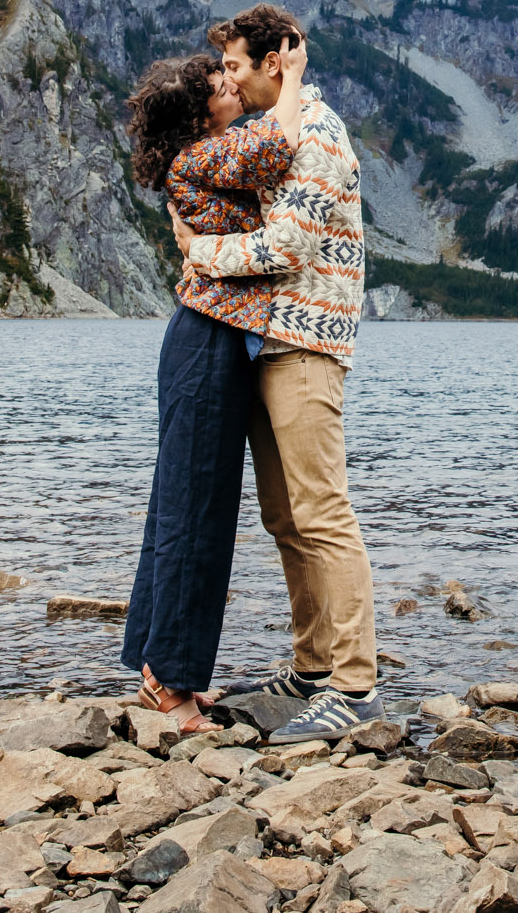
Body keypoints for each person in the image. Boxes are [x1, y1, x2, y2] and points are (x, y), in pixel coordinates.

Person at [168, 4, 378, 743]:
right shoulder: (272, 133)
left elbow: (285, 246)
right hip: (267, 343)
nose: (225, 77)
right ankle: (312, 666)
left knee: (323, 512)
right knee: (285, 516)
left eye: (234, 65)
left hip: (306, 346)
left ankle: (355, 684)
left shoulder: (316, 134)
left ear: (274, 64)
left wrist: (202, 255)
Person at [118, 45, 307, 730]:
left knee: (188, 505)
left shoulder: (206, 153)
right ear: (200, 110)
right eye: (218, 80)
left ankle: (159, 665)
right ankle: (170, 682)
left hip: (206, 339)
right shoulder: (202, 155)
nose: (232, 81)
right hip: (205, 340)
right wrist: (296, 77)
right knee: (193, 511)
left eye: (228, 73)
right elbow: (280, 143)